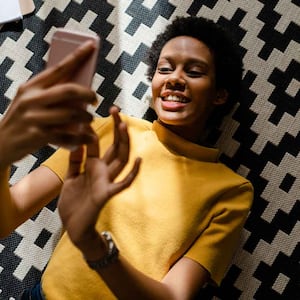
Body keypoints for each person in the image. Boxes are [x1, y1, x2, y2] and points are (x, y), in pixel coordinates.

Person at [0, 16, 253, 299]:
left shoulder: (232, 192)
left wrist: (93, 245)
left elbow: (174, 296)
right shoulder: (109, 129)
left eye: (194, 72)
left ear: (220, 95)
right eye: (165, 68)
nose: (174, 79)